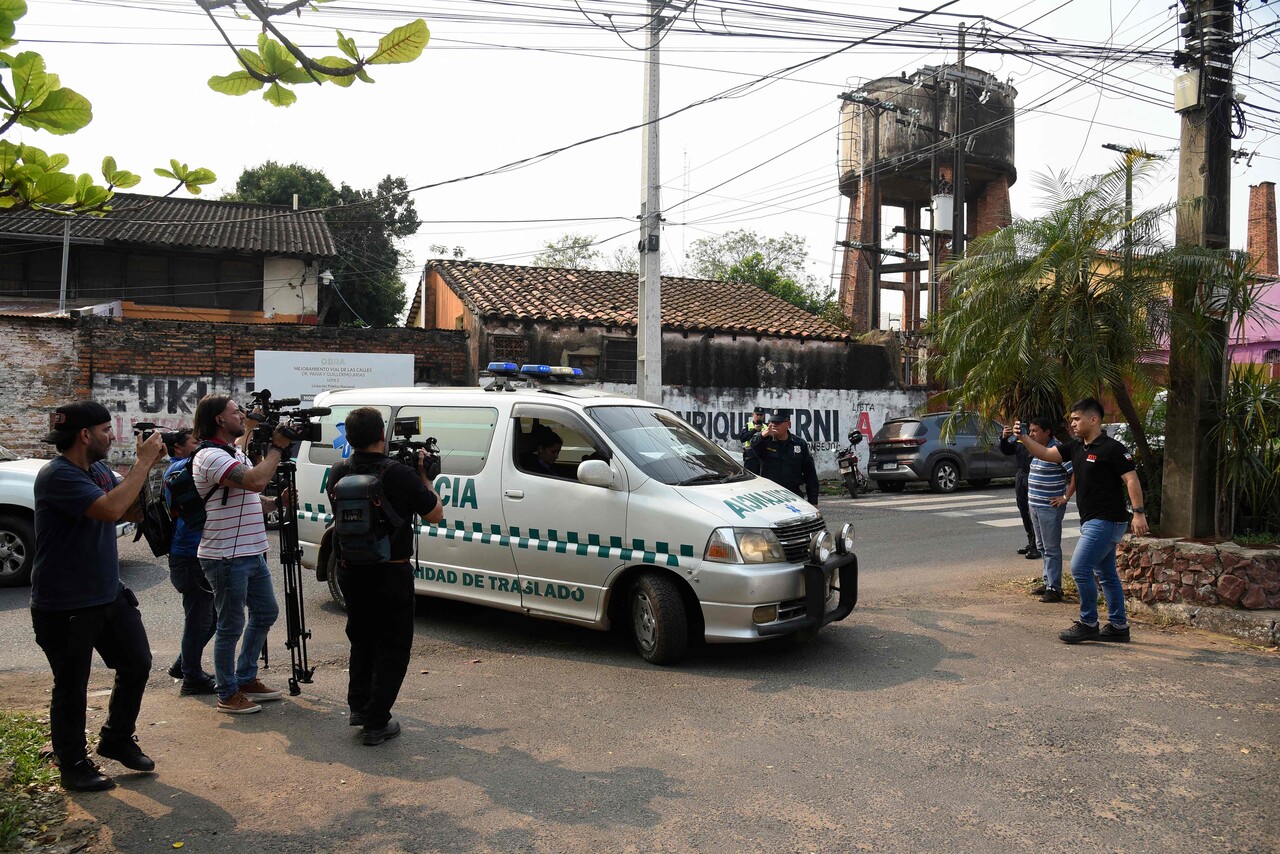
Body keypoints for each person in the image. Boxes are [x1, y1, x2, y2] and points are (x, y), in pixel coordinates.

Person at [30, 401, 166, 792]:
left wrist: (151, 471)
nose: (113, 435)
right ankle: (72, 765)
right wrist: (141, 464)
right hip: (65, 604)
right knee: (72, 685)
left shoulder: (99, 470)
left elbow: (130, 512)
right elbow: (108, 510)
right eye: (106, 429)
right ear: (85, 435)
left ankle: (116, 738)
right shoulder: (58, 476)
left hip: (107, 595)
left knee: (137, 663)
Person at [326, 407, 443, 746]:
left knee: (361, 639)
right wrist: (426, 477)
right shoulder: (398, 474)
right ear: (382, 436)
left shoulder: (337, 471)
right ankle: (377, 723)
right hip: (391, 572)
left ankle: (360, 708)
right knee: (392, 647)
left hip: (350, 570)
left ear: (348, 438)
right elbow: (434, 513)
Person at [1016, 398, 1149, 644]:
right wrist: (1024, 437)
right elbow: (1045, 453)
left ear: (1093, 419)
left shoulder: (1112, 448)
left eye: (1077, 419)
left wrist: (1139, 512)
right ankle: (1119, 626)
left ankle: (1088, 623)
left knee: (1079, 568)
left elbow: (1131, 479)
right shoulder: (1076, 446)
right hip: (1091, 521)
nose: (1072, 423)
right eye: (1072, 419)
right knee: (1106, 573)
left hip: (1107, 520)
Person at [191, 394, 293, 714]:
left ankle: (246, 677)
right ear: (219, 419)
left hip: (251, 552)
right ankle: (227, 692)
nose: (244, 416)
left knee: (265, 613)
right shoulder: (209, 455)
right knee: (230, 626)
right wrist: (276, 448)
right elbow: (255, 481)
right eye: (237, 412)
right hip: (226, 556)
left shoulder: (232, 453)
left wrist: (277, 505)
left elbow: (249, 497)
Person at [161, 430, 217, 696]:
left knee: (211, 618)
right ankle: (192, 677)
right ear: (178, 449)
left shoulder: (184, 467)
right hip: (189, 556)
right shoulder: (178, 469)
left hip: (192, 554)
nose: (201, 447)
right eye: (195, 442)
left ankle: (184, 664)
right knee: (199, 619)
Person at [1020, 417, 1075, 604]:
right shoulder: (1037, 449)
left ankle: (1055, 588)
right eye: (1031, 430)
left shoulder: (1057, 450)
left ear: (1047, 432)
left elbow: (1075, 474)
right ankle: (1047, 581)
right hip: (1034, 505)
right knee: (1042, 546)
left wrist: (1065, 497)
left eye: (1035, 430)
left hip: (1049, 507)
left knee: (1051, 548)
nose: (1032, 434)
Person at [749, 408, 819, 505]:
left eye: (778, 422)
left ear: (788, 424)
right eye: (772, 422)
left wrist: (813, 500)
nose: (774, 425)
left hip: (793, 494)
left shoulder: (799, 443)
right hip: (770, 495)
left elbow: (810, 473)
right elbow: (753, 445)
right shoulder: (765, 441)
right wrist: (763, 434)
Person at [999, 421, 1040, 560]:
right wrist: (1004, 437)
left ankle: (1036, 545)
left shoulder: (1035, 440)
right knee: (1023, 509)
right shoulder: (1019, 439)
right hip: (1021, 475)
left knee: (1033, 511)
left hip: (1033, 475)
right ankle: (1030, 541)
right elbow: (1007, 450)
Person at [735, 406, 767, 474]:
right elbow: (742, 439)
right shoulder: (748, 425)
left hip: (762, 456)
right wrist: (754, 430)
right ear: (753, 415)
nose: (759, 417)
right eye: (757, 414)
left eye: (761, 415)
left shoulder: (766, 427)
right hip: (750, 456)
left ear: (763, 416)